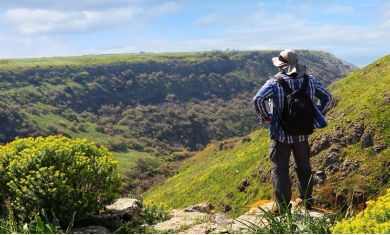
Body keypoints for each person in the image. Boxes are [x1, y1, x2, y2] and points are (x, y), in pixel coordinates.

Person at [253, 49, 333, 213]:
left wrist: (267, 117)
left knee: (280, 169)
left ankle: (282, 206)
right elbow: (328, 97)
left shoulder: (275, 82)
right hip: (303, 134)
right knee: (304, 167)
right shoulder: (310, 80)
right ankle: (305, 201)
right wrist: (316, 114)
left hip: (280, 134)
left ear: (280, 66)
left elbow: (258, 99)